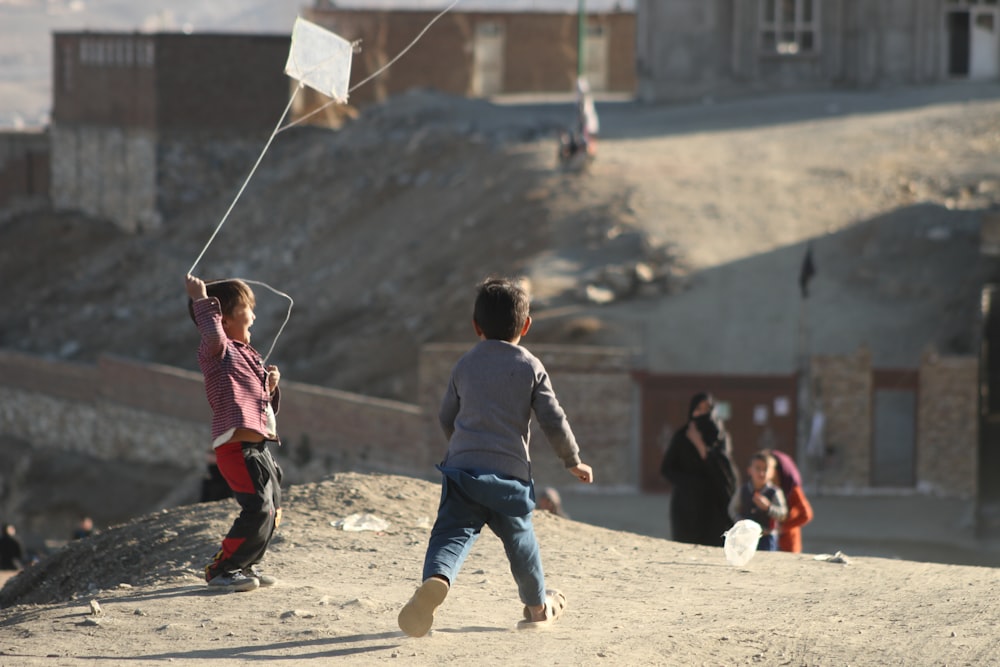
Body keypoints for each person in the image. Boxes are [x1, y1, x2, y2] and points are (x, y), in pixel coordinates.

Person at [398, 277, 594, 637]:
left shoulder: (465, 365)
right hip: (510, 479)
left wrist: (462, 447)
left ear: (476, 326)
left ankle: (436, 580)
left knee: (450, 534)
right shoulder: (531, 366)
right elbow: (553, 419)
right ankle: (537, 608)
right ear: (526, 326)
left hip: (462, 473)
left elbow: (446, 416)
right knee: (522, 544)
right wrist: (573, 460)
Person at [185, 274, 283, 593]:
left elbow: (257, 405)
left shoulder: (246, 354)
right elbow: (211, 332)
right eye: (246, 307)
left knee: (273, 510)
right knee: (257, 509)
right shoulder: (217, 350)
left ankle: (246, 564)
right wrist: (201, 299)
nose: (253, 315)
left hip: (258, 449)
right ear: (223, 319)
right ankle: (221, 569)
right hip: (236, 449)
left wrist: (269, 386)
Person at [660, 392, 738, 547]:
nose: (702, 414)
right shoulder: (682, 436)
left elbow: (725, 472)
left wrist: (701, 447)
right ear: (691, 411)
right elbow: (667, 469)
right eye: (698, 409)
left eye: (707, 409)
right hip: (687, 504)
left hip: (714, 505)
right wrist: (691, 483)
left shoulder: (721, 437)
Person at [729, 451, 788, 551]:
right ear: (749, 470)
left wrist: (768, 507)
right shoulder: (743, 490)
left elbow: (783, 514)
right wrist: (739, 520)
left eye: (765, 469)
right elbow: (732, 509)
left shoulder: (774, 492)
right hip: (746, 537)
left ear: (772, 473)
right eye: (757, 468)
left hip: (766, 537)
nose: (761, 473)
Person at [766, 449, 814, 553]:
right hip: (767, 543)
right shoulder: (764, 488)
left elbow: (806, 514)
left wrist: (782, 528)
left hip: (787, 544)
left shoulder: (791, 489)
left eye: (767, 468)